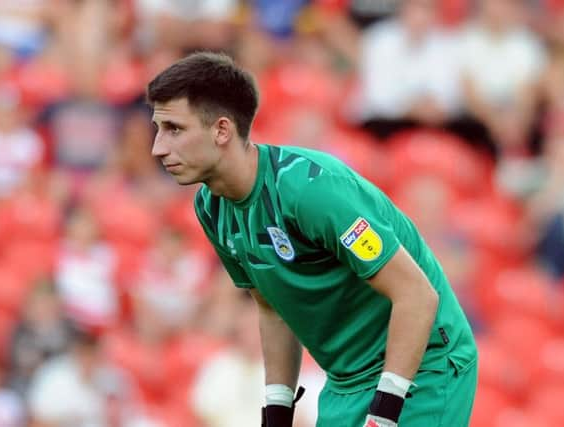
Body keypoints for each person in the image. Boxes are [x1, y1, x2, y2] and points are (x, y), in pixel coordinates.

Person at [147, 51, 478, 427]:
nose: (158, 147)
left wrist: (384, 414)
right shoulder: (211, 207)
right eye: (159, 129)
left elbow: (417, 295)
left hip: (423, 371)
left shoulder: (310, 191)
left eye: (174, 129)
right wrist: (277, 412)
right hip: (344, 382)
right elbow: (273, 306)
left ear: (222, 130)